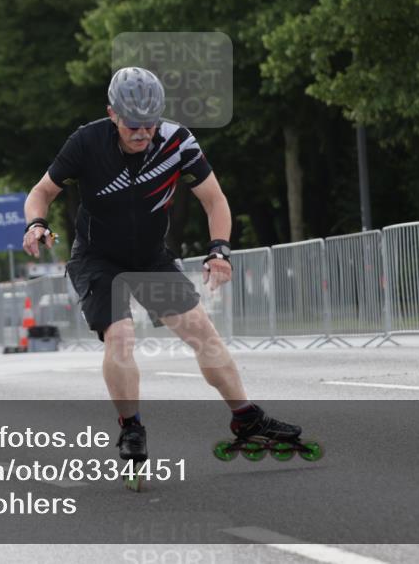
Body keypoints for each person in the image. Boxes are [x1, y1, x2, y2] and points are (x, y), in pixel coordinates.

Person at [23, 66, 302, 464]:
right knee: (120, 337)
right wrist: (36, 223)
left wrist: (219, 249)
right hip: (98, 257)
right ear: (113, 114)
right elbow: (42, 191)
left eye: (150, 125)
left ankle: (247, 418)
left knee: (203, 333)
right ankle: (131, 427)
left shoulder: (178, 141)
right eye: (133, 125)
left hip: (150, 256)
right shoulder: (86, 142)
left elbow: (214, 200)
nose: (142, 133)